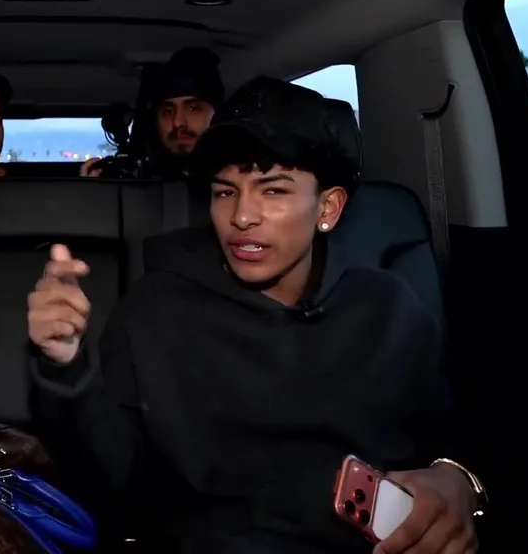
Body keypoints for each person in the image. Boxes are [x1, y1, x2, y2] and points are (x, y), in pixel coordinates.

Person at [30, 77, 483, 553]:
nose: (242, 216)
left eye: (273, 191)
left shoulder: (389, 307)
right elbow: (112, 475)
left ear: (328, 207)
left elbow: (453, 435)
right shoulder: (152, 311)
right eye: (225, 192)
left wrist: (457, 478)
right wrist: (65, 367)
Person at [80, 47, 223, 179]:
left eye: (193, 108)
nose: (177, 122)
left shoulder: (233, 176)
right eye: (167, 111)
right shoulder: (144, 178)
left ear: (217, 114)